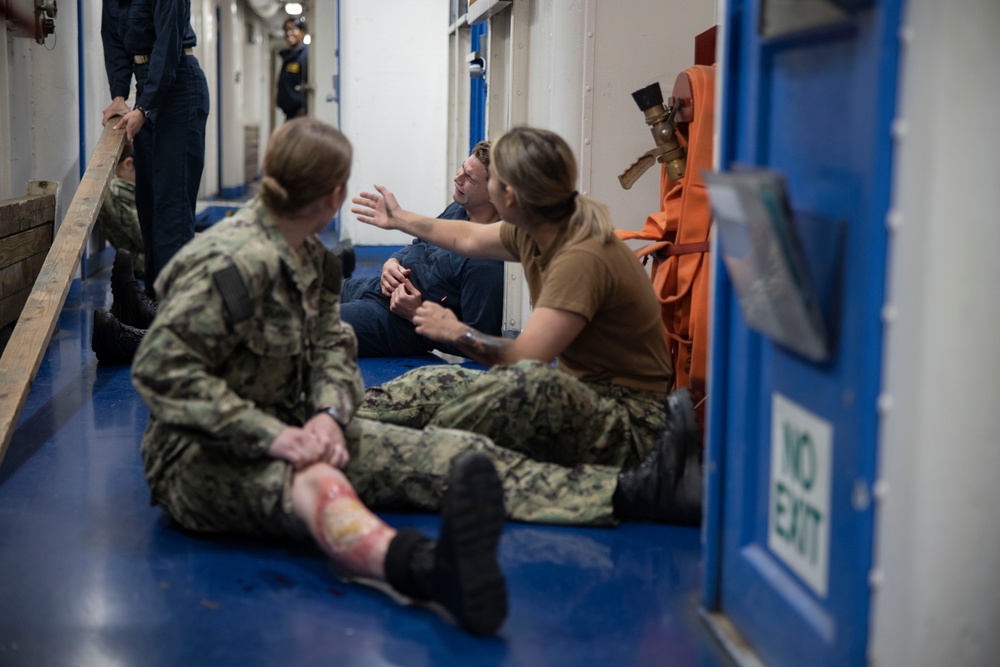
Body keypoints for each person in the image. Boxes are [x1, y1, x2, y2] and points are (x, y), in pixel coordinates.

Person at [129, 118, 509, 635]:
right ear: (334, 198)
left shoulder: (312, 259)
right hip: (202, 452)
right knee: (319, 484)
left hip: (298, 422)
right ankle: (425, 569)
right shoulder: (230, 262)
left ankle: (624, 489)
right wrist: (276, 437)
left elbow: (332, 345)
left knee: (455, 457)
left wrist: (330, 414)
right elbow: (160, 371)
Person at [348, 126, 703, 526]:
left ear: (509, 197)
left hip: (629, 424)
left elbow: (525, 357)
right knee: (429, 384)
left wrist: (452, 330)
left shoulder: (581, 256)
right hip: (589, 397)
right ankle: (335, 417)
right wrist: (399, 219)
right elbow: (466, 237)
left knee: (508, 394)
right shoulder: (539, 226)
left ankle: (410, 458)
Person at [340, 141, 504, 357]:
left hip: (397, 323)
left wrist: (416, 314)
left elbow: (478, 345)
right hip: (375, 289)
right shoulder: (458, 209)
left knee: (309, 322)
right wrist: (393, 262)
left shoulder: (485, 265)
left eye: (469, 178)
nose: (457, 178)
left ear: (494, 194)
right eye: (463, 168)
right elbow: (420, 244)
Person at [101, 0, 210, 291]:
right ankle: (153, 301)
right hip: (146, 85)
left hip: (180, 88)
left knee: (171, 206)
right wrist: (119, 94)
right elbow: (112, 39)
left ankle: (174, 309)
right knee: (147, 203)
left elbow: (168, 42)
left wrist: (145, 107)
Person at [96, 142, 145, 278]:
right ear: (129, 164)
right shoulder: (118, 191)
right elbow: (144, 238)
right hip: (143, 263)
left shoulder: (117, 190)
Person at [277, 16, 309, 121]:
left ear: (302, 32)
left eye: (293, 29)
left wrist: (305, 106)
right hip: (289, 113)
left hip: (300, 114)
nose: (289, 33)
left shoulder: (305, 55)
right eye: (286, 30)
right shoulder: (289, 56)